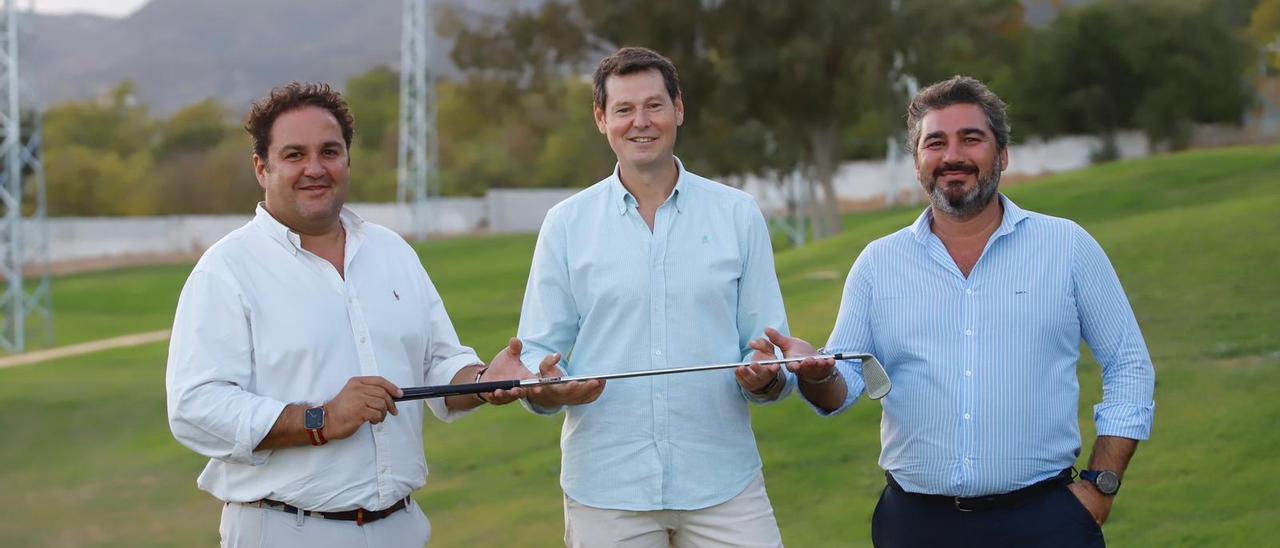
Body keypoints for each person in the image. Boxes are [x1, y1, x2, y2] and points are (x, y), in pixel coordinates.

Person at [764, 75, 1156, 547]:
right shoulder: (878, 264)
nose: (953, 155)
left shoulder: (1067, 247)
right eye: (936, 142)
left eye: (971, 138)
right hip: (916, 526)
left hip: (1047, 521)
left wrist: (1101, 485)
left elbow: (1129, 365)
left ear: (1003, 154)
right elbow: (842, 387)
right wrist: (814, 369)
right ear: (917, 163)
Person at [165, 82, 543, 547]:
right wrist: (319, 420)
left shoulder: (392, 252)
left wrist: (483, 381)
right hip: (285, 529)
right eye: (294, 155)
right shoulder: (227, 269)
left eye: (329, 151)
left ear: (347, 159)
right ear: (262, 168)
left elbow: (439, 364)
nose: (315, 168)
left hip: (401, 527)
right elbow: (194, 407)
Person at [515, 47, 793, 547]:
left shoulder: (738, 214)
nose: (640, 122)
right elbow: (537, 356)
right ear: (602, 119)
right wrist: (546, 388)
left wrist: (765, 376)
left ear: (678, 109)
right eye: (623, 109)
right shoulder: (565, 225)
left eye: (654, 105)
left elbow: (767, 349)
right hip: (607, 490)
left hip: (723, 481)